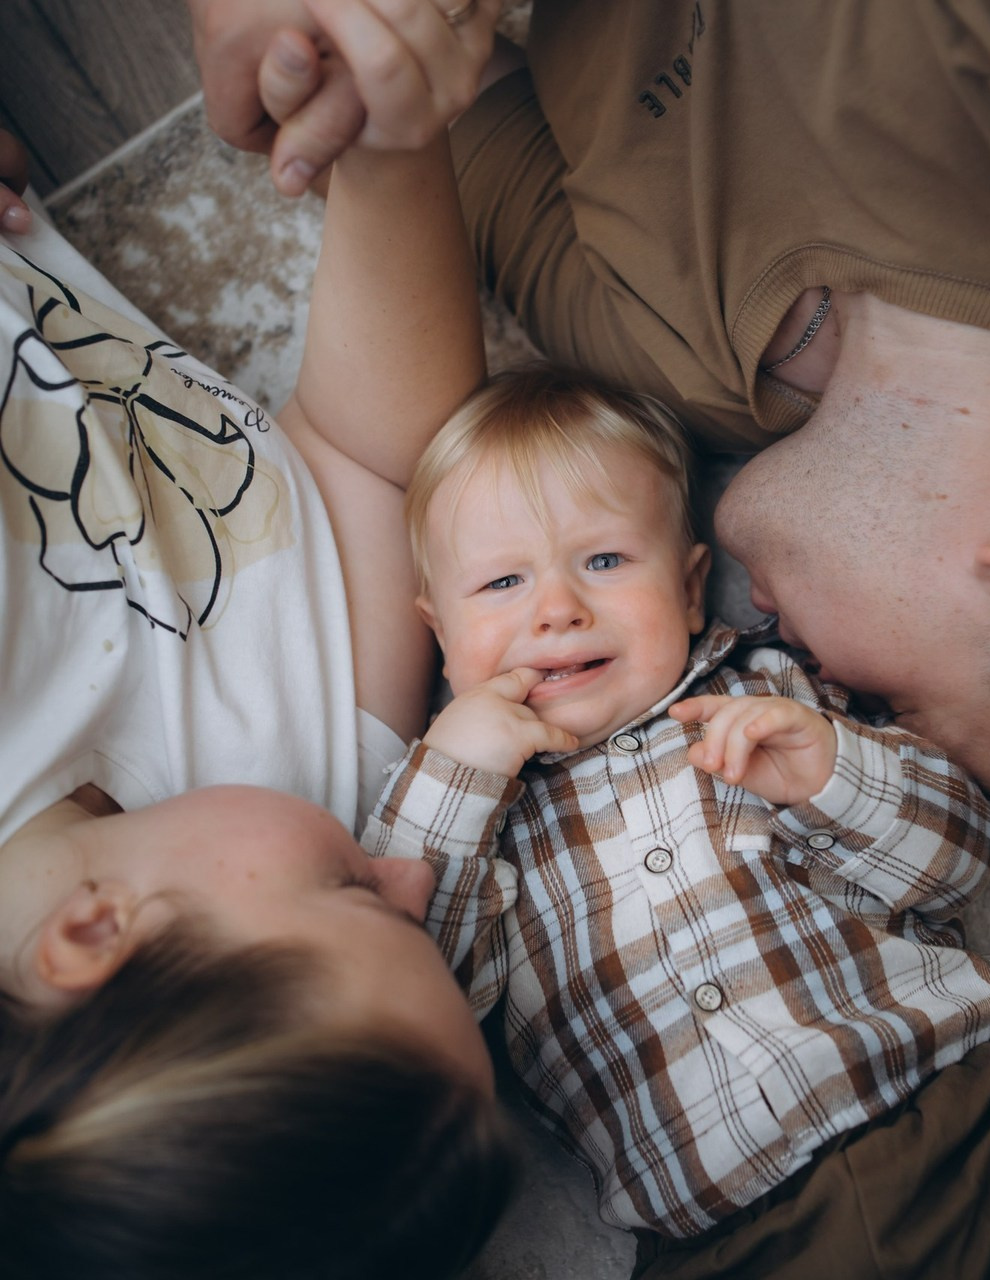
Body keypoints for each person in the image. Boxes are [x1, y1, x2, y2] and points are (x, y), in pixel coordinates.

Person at [185, 0, 990, 840]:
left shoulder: (671, 385)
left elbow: (426, 114)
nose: (809, 682)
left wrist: (324, 46)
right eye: (882, 701)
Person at [361, 365, 990, 1278]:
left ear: (689, 591)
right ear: (438, 632)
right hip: (734, 1238)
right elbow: (397, 997)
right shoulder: (459, 818)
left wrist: (833, 771)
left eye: (604, 561)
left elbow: (956, 859)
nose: (557, 609)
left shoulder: (777, 697)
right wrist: (453, 773)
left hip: (980, 1124)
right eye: (501, 584)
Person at [0, 4, 515, 1276]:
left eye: (360, 900)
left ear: (97, 934)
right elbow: (383, 459)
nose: (413, 874)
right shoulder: (294, 778)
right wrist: (393, 146)